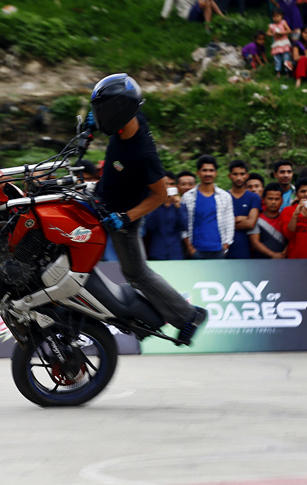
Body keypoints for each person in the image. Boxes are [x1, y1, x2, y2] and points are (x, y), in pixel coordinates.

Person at [91, 73, 207, 345]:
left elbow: (160, 195)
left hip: (123, 218)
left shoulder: (143, 153)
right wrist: (92, 123)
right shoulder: (125, 124)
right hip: (103, 201)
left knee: (137, 274)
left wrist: (125, 218)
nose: (100, 116)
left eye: (103, 112)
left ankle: (188, 315)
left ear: (120, 111)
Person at [181, 155, 235, 259]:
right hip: (196, 250)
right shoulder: (188, 197)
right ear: (198, 173)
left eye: (211, 170)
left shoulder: (225, 196)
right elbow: (183, 225)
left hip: (219, 250)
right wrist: (190, 248)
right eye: (204, 170)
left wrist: (226, 245)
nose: (208, 173)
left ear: (216, 173)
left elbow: (229, 222)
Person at [141, 171, 187, 260]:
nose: (169, 187)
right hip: (157, 251)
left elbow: (184, 226)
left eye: (172, 184)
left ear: (176, 186)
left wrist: (178, 207)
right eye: (166, 184)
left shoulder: (180, 205)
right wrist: (158, 201)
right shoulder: (153, 204)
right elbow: (149, 226)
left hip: (175, 251)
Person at [227, 160, 260, 258]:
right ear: (230, 176)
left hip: (246, 248)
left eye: (242, 174)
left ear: (247, 176)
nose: (239, 178)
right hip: (226, 247)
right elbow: (218, 225)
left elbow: (251, 223)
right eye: (235, 174)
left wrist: (228, 224)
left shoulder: (254, 197)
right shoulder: (223, 196)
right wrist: (239, 219)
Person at [249, 182, 288, 258]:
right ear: (263, 200)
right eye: (270, 199)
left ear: (282, 201)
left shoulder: (286, 217)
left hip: (284, 261)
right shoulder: (256, 218)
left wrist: (284, 253)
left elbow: (293, 239)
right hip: (261, 261)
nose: (273, 202)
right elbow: (255, 242)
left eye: (277, 199)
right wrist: (274, 255)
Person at [267, 10, 293, 75]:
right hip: (277, 44)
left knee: (286, 58)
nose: (276, 18)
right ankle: (278, 72)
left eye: (277, 16)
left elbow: (289, 30)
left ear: (281, 16)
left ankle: (287, 72)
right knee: (277, 58)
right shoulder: (272, 26)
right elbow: (267, 33)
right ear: (272, 18)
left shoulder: (283, 22)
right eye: (274, 16)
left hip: (284, 43)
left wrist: (281, 33)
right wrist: (273, 34)